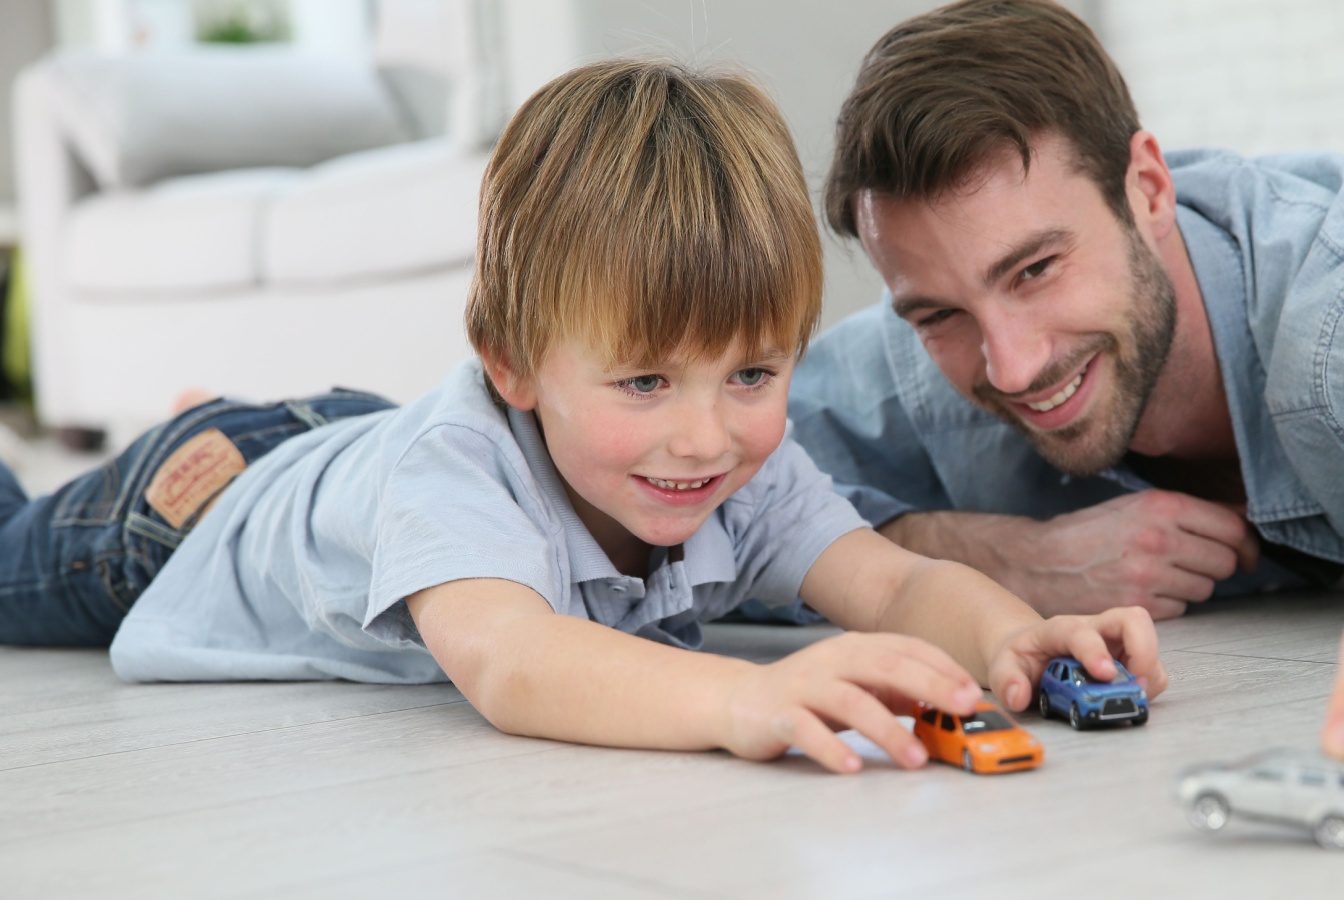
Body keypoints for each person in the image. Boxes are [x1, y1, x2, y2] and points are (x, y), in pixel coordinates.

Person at [0, 58, 1165, 773]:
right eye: (647, 382)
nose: (707, 437)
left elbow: (894, 584)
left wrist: (1013, 640)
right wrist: (739, 696)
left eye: (753, 375)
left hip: (353, 449)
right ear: (514, 363)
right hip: (191, 505)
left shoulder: (732, 463)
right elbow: (513, 662)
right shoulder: (463, 468)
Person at [790, 0, 1344, 800]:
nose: (1009, 364)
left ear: (1147, 189)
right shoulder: (912, 355)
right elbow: (702, 488)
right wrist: (991, 555)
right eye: (940, 315)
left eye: (1035, 270)